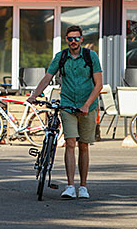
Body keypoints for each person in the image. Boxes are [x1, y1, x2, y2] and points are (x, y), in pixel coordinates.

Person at [27, 26, 103, 199]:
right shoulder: (61, 57)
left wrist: (86, 105)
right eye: (70, 38)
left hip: (88, 107)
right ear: (66, 40)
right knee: (70, 143)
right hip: (68, 104)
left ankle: (83, 186)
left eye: (76, 38)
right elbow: (47, 77)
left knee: (83, 145)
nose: (73, 41)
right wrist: (34, 96)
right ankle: (70, 186)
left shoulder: (91, 56)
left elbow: (98, 84)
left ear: (81, 39)